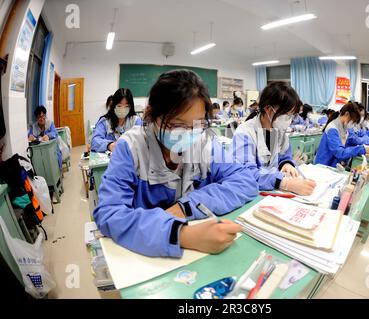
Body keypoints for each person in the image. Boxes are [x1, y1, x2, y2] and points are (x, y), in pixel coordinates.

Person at [93, 70, 258, 257]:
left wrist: (185, 207)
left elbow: (245, 181)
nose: (188, 134)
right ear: (150, 114)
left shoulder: (205, 142)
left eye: (197, 124)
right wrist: (182, 235)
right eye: (176, 125)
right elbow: (109, 213)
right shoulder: (130, 147)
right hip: (145, 256)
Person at [232, 81, 316, 195]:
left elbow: (284, 157)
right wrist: (284, 182)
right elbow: (246, 173)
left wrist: (286, 164)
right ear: (268, 109)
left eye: (292, 116)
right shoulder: (245, 133)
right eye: (287, 115)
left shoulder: (279, 133)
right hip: (252, 195)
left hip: (273, 192)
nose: (290, 120)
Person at [315, 102, 369, 168]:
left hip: (334, 165)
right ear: (346, 114)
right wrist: (361, 149)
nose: (352, 124)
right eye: (352, 121)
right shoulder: (332, 129)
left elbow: (345, 147)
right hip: (323, 166)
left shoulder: (344, 128)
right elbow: (340, 153)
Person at [91, 88, 142, 153]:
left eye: (126, 106)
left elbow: (141, 141)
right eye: (119, 106)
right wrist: (109, 145)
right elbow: (95, 141)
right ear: (113, 105)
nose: (123, 109)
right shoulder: (105, 122)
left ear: (130, 107)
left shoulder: (136, 121)